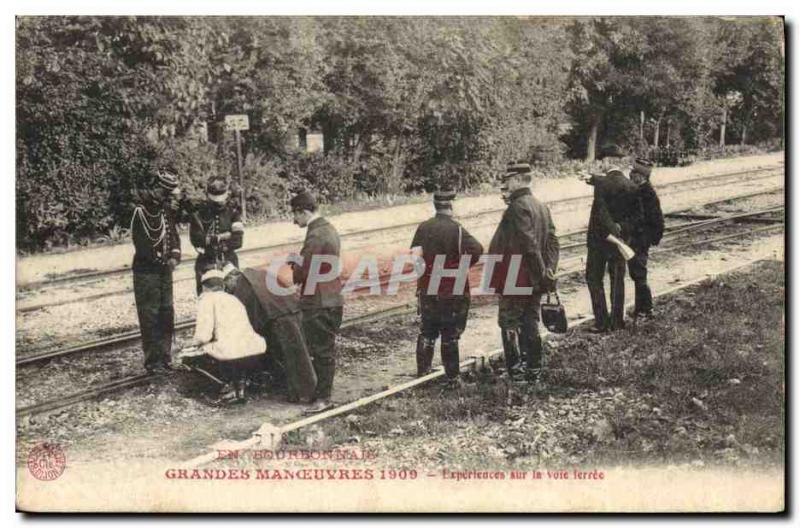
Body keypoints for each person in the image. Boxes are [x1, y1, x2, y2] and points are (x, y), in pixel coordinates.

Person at [488, 162, 560, 382]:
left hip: (517, 276)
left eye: (509, 179)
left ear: (519, 179)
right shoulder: (541, 206)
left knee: (509, 321)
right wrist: (549, 271)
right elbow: (553, 242)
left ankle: (516, 371)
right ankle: (534, 369)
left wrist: (541, 272)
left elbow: (529, 244)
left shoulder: (517, 206)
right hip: (534, 277)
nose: (506, 183)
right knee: (530, 321)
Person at [410, 189, 484, 382]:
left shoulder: (423, 228)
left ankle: (423, 375)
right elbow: (478, 249)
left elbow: (415, 257)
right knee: (450, 333)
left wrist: (423, 278)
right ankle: (452, 379)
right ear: (452, 205)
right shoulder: (457, 229)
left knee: (427, 330)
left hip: (428, 287)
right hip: (452, 288)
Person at [222, 263, 318, 403]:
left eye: (227, 286)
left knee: (294, 358)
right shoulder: (255, 272)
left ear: (231, 278)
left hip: (280, 317)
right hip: (292, 307)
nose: (228, 290)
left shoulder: (242, 287)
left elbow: (248, 321)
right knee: (300, 354)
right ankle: (308, 389)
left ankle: (304, 395)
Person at [289, 190, 343, 415]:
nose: (294, 220)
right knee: (323, 349)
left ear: (303, 211)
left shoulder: (315, 235)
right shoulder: (329, 228)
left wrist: (293, 263)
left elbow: (303, 271)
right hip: (331, 296)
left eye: (295, 215)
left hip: (318, 300)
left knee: (321, 350)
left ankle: (323, 398)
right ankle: (321, 393)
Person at [584, 145, 643, 332]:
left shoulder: (601, 185)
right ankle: (617, 322)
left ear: (608, 161)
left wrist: (611, 230)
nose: (601, 164)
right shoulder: (631, 186)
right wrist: (620, 229)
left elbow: (601, 213)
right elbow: (638, 217)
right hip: (620, 243)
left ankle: (601, 322)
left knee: (594, 279)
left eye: (602, 161)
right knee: (618, 281)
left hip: (599, 241)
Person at [130, 168, 182, 374]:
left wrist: (175, 257)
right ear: (154, 190)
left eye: (168, 193)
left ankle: (166, 357)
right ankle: (153, 362)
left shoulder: (165, 211)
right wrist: (160, 260)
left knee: (166, 313)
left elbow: (173, 237)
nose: (166, 197)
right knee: (150, 316)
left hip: (164, 271)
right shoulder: (140, 212)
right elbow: (142, 245)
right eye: (163, 192)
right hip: (147, 272)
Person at [188, 269, 267, 403]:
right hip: (253, 346)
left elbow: (203, 335)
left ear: (204, 287)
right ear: (222, 285)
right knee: (234, 352)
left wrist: (192, 344)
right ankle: (240, 388)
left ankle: (225, 387)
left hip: (230, 352)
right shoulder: (233, 298)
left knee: (192, 357)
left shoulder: (207, 300)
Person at [187, 178, 244, 295]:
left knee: (232, 299)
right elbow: (196, 240)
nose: (219, 203)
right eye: (215, 201)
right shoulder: (199, 213)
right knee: (207, 300)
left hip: (229, 261)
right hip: (206, 262)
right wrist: (221, 237)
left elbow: (238, 241)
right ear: (209, 197)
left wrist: (211, 241)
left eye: (221, 200)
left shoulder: (233, 213)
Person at [628, 158, 664, 320]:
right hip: (640, 239)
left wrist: (647, 238)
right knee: (637, 274)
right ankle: (640, 309)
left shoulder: (646, 193)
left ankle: (646, 309)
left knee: (639, 273)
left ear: (640, 176)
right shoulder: (643, 190)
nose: (630, 175)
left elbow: (655, 220)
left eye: (633, 173)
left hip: (640, 240)